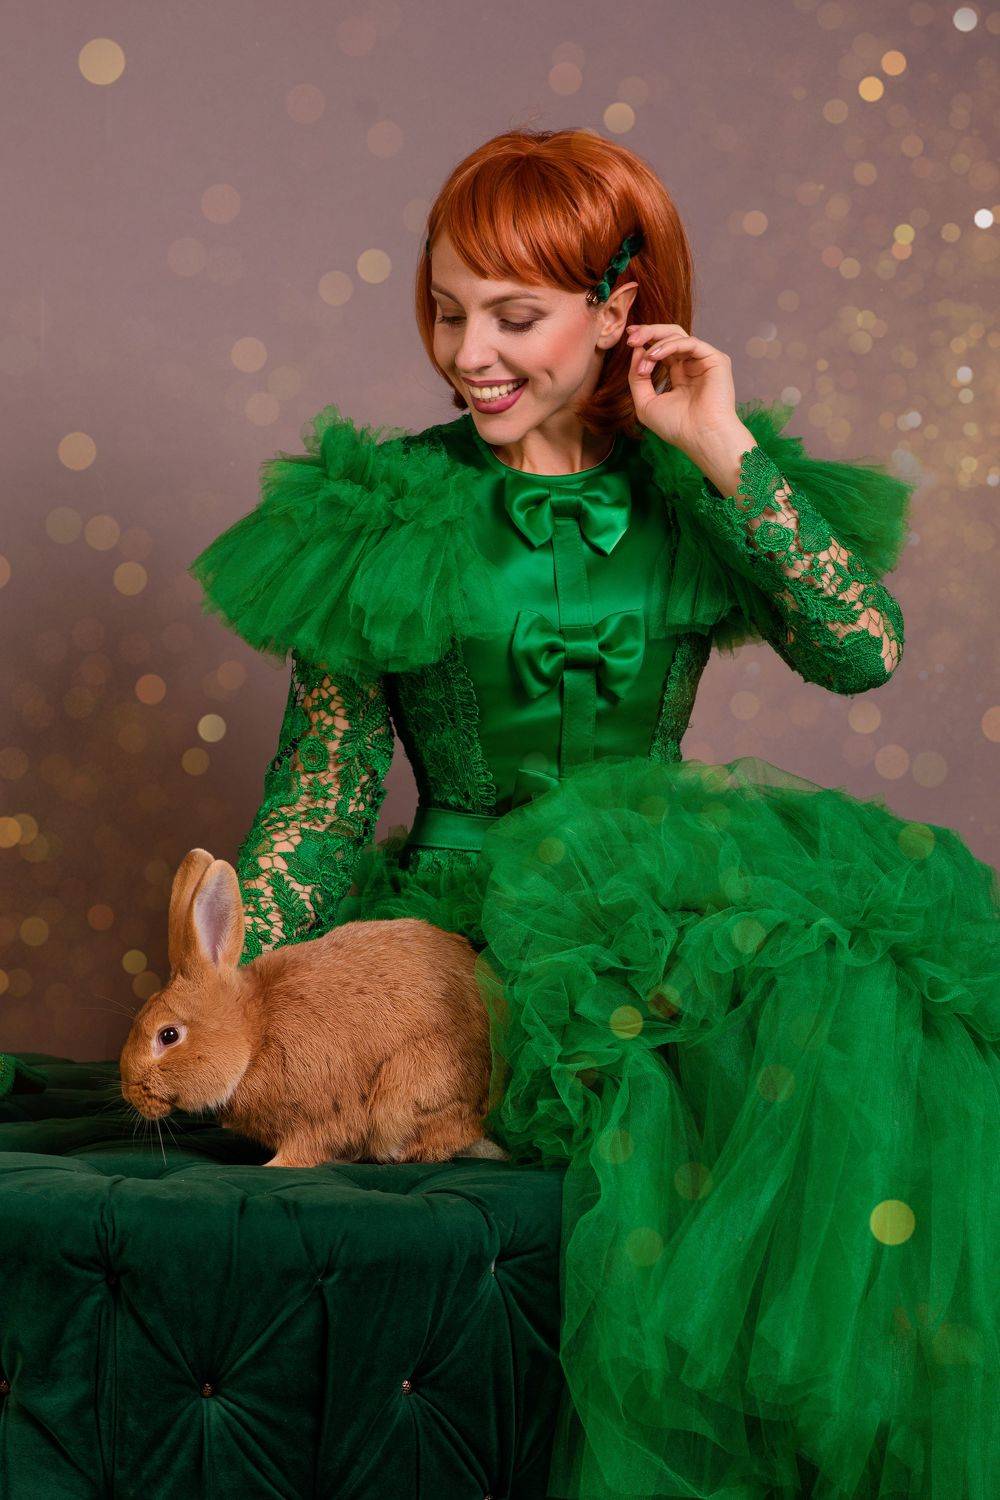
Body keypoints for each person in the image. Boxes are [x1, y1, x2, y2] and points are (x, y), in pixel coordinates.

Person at [187, 128, 999, 1499]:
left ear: (619, 309)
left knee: (857, 1007)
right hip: (467, 924)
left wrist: (722, 446)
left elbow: (863, 649)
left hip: (661, 908)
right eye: (446, 310)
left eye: (515, 317)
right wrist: (229, 983)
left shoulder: (692, 485)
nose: (468, 354)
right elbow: (321, 800)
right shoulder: (383, 509)